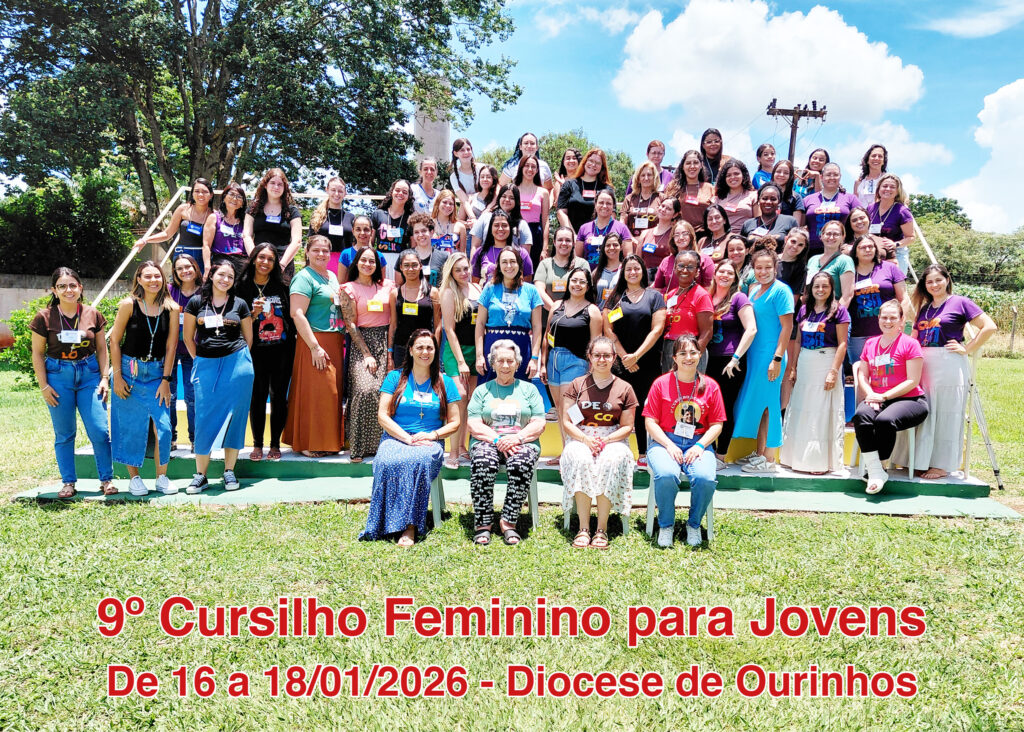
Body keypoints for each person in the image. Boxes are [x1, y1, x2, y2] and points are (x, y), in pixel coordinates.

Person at [895, 264, 996, 479]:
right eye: (929, 282)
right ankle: (918, 460)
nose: (934, 285)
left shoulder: (960, 302)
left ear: (947, 280)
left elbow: (989, 326)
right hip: (923, 363)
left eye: (938, 280)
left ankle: (941, 465)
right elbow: (914, 335)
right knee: (924, 412)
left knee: (947, 414)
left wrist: (967, 348)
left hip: (948, 363)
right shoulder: (924, 308)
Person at [361, 330, 461, 545]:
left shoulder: (445, 382)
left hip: (429, 441)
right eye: (420, 347)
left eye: (430, 348)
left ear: (435, 351)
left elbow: (455, 422)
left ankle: (409, 526)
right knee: (386, 461)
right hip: (396, 437)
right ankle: (382, 522)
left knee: (419, 460)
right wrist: (406, 438)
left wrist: (433, 435)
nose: (425, 352)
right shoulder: (394, 378)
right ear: (411, 350)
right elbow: (382, 415)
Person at [30, 267, 114, 498]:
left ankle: (106, 480)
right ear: (54, 290)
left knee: (99, 430)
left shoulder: (92, 314)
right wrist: (44, 386)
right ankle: (68, 482)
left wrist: (104, 378)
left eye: (72, 285)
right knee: (65, 433)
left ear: (80, 288)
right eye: (62, 286)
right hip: (58, 376)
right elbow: (37, 353)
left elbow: (102, 349)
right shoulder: (44, 317)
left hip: (89, 375)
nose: (68, 290)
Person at [644, 335, 725, 547]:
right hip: (665, 442)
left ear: (700, 355)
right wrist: (669, 445)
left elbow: (717, 424)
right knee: (666, 475)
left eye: (692, 352)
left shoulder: (711, 386)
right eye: (682, 353)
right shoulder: (661, 384)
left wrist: (700, 446)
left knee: (705, 478)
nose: (688, 357)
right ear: (674, 358)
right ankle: (666, 525)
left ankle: (694, 524)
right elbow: (650, 422)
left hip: (698, 443)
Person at [182, 260, 255, 493]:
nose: (225, 280)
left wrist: (240, 360)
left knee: (235, 417)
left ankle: (229, 471)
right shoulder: (196, 302)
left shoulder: (240, 304)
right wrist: (200, 360)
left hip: (237, 364)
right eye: (221, 274)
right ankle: (200, 475)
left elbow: (248, 338)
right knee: (204, 417)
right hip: (206, 365)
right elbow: (187, 338)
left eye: (230, 277)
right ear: (212, 275)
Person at [560, 336, 639, 549]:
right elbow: (567, 421)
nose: (601, 359)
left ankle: (601, 529)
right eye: (597, 355)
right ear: (589, 357)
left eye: (606, 355)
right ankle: (584, 528)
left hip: (613, 438)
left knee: (611, 460)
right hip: (581, 436)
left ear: (614, 358)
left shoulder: (624, 388)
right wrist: (585, 439)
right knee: (580, 459)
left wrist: (606, 440)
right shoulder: (577, 385)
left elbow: (627, 427)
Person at [466, 340, 547, 545]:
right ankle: (483, 523)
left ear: (517, 364)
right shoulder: (482, 390)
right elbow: (473, 424)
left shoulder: (529, 390)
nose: (505, 365)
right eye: (500, 360)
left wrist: (517, 438)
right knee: (484, 462)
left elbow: (539, 423)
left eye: (510, 361)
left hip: (522, 441)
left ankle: (508, 521)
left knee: (521, 462)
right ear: (492, 363)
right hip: (487, 440)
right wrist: (497, 440)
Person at [108, 261, 178, 496]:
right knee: (131, 426)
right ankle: (134, 478)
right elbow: (114, 341)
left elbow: (171, 347)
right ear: (138, 279)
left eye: (157, 276)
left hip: (157, 373)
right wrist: (117, 376)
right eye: (147, 276)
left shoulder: (172, 308)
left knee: (164, 428)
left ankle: (162, 477)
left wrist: (166, 380)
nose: (153, 280)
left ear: (163, 279)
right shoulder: (129, 305)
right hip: (130, 372)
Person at [853, 299, 928, 494]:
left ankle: (879, 467)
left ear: (902, 320)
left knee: (885, 420)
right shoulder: (870, 343)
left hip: (910, 400)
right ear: (878, 319)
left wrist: (884, 397)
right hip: (877, 397)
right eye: (884, 317)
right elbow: (862, 375)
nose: (888, 321)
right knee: (861, 416)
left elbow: (912, 380)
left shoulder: (910, 344)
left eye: (893, 318)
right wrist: (871, 394)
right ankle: (877, 472)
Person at [780, 272, 850, 474]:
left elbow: (842, 343)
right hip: (805, 362)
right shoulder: (804, 310)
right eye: (816, 286)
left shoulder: (839, 311)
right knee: (801, 407)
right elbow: (798, 341)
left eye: (825, 286)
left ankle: (817, 461)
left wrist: (833, 371)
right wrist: (793, 367)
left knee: (819, 411)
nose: (820, 290)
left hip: (826, 361)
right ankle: (795, 458)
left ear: (831, 289)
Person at [731, 248, 794, 472]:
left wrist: (777, 359)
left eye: (768, 267)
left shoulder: (782, 291)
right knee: (760, 406)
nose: (763, 271)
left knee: (770, 406)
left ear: (775, 268)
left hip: (771, 356)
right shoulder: (755, 289)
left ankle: (769, 459)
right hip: (755, 356)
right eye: (759, 267)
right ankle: (759, 453)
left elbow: (787, 327)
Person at [282, 235, 344, 457]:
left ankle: (327, 442)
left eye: (325, 250)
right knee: (316, 392)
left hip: (334, 340)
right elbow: (297, 313)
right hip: (315, 341)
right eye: (316, 250)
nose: (321, 254)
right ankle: (307, 442)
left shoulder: (331, 276)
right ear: (306, 252)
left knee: (330, 394)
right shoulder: (303, 278)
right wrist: (314, 347)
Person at [602, 255, 667, 469]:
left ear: (643, 271)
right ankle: (615, 451)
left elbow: (657, 329)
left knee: (642, 407)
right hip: (621, 363)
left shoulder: (654, 296)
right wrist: (624, 357)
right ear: (623, 272)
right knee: (619, 407)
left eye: (636, 268)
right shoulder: (615, 298)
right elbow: (608, 330)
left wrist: (636, 356)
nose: (632, 272)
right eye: (628, 269)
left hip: (647, 362)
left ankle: (644, 453)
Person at [236, 244, 294, 462]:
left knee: (279, 396)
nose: (265, 263)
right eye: (261, 257)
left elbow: (291, 317)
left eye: (270, 259)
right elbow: (236, 320)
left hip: (282, 350)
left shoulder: (283, 285)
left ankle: (275, 443)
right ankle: (258, 443)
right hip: (255, 351)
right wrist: (253, 314)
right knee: (257, 397)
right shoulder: (241, 286)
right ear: (253, 259)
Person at [540, 266, 603, 463]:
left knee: (570, 408)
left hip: (576, 361)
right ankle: (566, 449)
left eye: (582, 281)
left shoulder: (592, 311)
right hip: (554, 360)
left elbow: (595, 343)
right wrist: (543, 363)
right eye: (574, 280)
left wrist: (592, 370)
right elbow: (547, 336)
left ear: (588, 286)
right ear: (568, 283)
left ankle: (576, 450)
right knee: (559, 408)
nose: (577, 284)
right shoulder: (557, 305)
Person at [339, 247, 396, 462]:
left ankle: (382, 446)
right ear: (356, 262)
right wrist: (367, 354)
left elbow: (394, 319)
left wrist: (390, 350)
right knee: (365, 390)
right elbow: (350, 323)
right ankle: (359, 446)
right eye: (364, 260)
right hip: (362, 342)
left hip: (386, 340)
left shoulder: (388, 286)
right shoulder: (348, 288)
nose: (368, 264)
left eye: (372, 261)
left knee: (386, 393)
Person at [704, 259, 756, 468]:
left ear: (735, 278)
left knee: (724, 407)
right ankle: (707, 451)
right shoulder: (708, 297)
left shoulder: (738, 298)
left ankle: (721, 456)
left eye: (729, 273)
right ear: (715, 274)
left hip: (730, 362)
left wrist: (736, 358)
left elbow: (751, 329)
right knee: (706, 407)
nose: (724, 275)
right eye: (721, 271)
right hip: (708, 360)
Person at [438, 253, 482, 468]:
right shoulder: (448, 292)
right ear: (451, 273)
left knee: (470, 401)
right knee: (460, 397)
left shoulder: (477, 289)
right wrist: (461, 361)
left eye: (465, 268)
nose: (463, 273)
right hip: (457, 352)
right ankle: (453, 451)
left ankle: (463, 447)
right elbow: (449, 329)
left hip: (476, 350)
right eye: (458, 270)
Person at [474, 247, 543, 383]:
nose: (509, 266)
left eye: (513, 261)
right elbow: (480, 324)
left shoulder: (531, 291)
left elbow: (537, 327)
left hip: (521, 347)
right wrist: (479, 356)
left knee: (520, 390)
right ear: (499, 266)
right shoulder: (489, 288)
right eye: (504, 262)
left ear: (519, 264)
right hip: (493, 347)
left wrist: (534, 359)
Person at [847, 236, 908, 365]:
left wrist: (901, 323)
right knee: (860, 370)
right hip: (857, 334)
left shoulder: (889, 268)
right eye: (863, 247)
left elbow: (904, 298)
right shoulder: (848, 271)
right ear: (855, 252)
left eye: (871, 246)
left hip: (886, 330)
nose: (867, 250)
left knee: (884, 369)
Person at [134, 178, 214, 272]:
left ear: (211, 195)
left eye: (204, 192)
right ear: (192, 193)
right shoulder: (183, 209)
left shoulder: (214, 215)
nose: (200, 194)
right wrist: (145, 240)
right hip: (182, 255)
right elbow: (167, 234)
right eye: (197, 191)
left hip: (203, 257)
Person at [243, 168, 303, 276]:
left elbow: (297, 241)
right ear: (265, 185)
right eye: (272, 183)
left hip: (283, 263)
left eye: (280, 184)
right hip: (259, 262)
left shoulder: (292, 211)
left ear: (284, 188)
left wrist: (282, 265)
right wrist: (255, 259)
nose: (276, 187)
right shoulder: (253, 209)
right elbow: (247, 235)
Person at [661, 250, 714, 373]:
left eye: (690, 267)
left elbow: (707, 333)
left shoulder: (702, 295)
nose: (684, 270)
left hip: (691, 351)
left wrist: (691, 357)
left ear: (697, 272)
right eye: (681, 266)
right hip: (669, 349)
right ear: (675, 268)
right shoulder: (670, 295)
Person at [168, 255, 201, 451]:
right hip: (170, 350)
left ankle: (196, 439)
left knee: (192, 396)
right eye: (179, 268)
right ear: (175, 272)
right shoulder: (168, 291)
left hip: (193, 350)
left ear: (195, 268)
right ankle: (170, 439)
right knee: (169, 396)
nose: (184, 271)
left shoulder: (205, 292)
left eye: (188, 267)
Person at [795, 162, 861, 255]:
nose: (832, 178)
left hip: (841, 250)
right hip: (812, 250)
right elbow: (800, 226)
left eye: (836, 175)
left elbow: (862, 221)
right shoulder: (808, 199)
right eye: (828, 175)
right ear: (821, 177)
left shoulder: (850, 198)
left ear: (840, 177)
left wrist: (853, 244)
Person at [389, 248, 440, 367]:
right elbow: (393, 325)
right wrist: (390, 353)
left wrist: (435, 350)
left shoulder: (433, 292)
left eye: (414, 265)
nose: (410, 269)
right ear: (401, 267)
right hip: (401, 348)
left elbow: (438, 326)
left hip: (425, 350)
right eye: (406, 265)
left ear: (420, 266)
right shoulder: (395, 294)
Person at [866, 173, 916, 275]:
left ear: (897, 191)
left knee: (896, 283)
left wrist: (895, 244)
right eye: (885, 186)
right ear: (879, 189)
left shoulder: (902, 211)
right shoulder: (871, 208)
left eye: (892, 187)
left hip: (896, 253)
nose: (888, 189)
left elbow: (911, 237)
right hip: (874, 252)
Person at [557, 148, 615, 234]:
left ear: (602, 167)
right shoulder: (569, 185)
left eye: (598, 163)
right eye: (591, 161)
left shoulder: (607, 189)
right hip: (572, 237)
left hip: (597, 237)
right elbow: (561, 212)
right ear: (584, 162)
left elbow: (612, 215)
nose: (593, 165)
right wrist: (573, 236)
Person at [533, 226, 589, 311]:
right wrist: (557, 311)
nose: (564, 243)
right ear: (554, 242)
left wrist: (569, 314)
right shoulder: (544, 264)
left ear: (573, 243)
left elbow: (587, 291)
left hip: (576, 315)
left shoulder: (582, 264)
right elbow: (539, 291)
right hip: (548, 316)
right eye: (560, 240)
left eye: (568, 240)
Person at [470, 209, 534, 283]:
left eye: (504, 225)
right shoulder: (480, 252)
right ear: (491, 228)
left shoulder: (522, 253)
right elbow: (475, 283)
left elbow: (527, 283)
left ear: (510, 228)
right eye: (496, 225)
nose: (500, 229)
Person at [308, 176, 354, 275]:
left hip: (344, 264)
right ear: (327, 190)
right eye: (333, 190)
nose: (336, 194)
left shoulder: (350, 217)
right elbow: (310, 242)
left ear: (345, 193)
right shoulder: (317, 215)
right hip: (321, 261)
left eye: (340, 191)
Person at [576, 189, 633, 268]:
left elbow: (628, 256)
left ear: (613, 206)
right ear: (595, 204)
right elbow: (578, 258)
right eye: (601, 203)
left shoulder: (622, 228)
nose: (604, 206)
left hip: (613, 274)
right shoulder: (584, 228)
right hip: (588, 273)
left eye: (608, 203)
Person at [469, 184, 533, 254]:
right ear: (499, 198)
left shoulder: (522, 224)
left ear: (516, 201)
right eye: (504, 196)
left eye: (511, 198)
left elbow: (525, 254)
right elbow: (475, 246)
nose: (507, 200)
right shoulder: (485, 217)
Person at [371, 179, 415, 280]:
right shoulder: (378, 214)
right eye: (397, 190)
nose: (400, 194)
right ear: (392, 192)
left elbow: (413, 247)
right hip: (380, 261)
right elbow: (370, 242)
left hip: (400, 264)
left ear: (408, 196)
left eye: (405, 192)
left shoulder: (411, 219)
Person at [653, 221, 712, 292]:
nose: (681, 237)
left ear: (691, 236)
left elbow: (709, 289)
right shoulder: (666, 261)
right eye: (677, 235)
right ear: (673, 239)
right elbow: (658, 288)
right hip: (669, 298)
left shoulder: (704, 260)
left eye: (685, 234)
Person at [666, 150, 715, 234]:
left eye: (695, 163)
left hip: (705, 235)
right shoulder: (673, 188)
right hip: (680, 235)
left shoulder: (710, 188)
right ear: (683, 166)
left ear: (701, 165)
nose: (692, 166)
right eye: (688, 163)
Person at [806, 220, 855, 306]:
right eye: (828, 234)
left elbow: (847, 296)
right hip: (812, 309)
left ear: (843, 237)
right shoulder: (812, 260)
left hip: (832, 310)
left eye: (836, 234)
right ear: (821, 236)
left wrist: (835, 313)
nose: (831, 237)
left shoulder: (845, 261)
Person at [513, 154, 550, 266]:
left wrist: (545, 247)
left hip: (535, 233)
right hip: (515, 231)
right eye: (527, 165)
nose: (530, 169)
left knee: (532, 267)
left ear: (537, 170)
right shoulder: (513, 189)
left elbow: (545, 221)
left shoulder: (543, 192)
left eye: (533, 166)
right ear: (521, 168)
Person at [203, 181, 247, 275]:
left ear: (243, 203)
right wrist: (207, 268)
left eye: (239, 196)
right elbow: (206, 245)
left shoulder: (246, 221)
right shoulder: (214, 218)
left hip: (241, 264)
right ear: (224, 197)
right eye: (231, 194)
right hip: (220, 262)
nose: (234, 199)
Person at [636, 194, 680, 280]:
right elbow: (638, 261)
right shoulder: (645, 233)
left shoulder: (675, 235)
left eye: (668, 209)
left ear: (675, 214)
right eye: (662, 206)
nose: (663, 210)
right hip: (644, 278)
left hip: (663, 278)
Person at [741, 184, 798, 249]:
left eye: (773, 199)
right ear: (759, 201)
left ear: (779, 202)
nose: (768, 202)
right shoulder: (748, 224)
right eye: (764, 198)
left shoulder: (789, 221)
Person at [405, 212, 450, 290]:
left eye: (423, 231)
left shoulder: (444, 256)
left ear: (431, 232)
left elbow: (448, 284)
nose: (420, 235)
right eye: (416, 232)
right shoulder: (405, 256)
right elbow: (399, 284)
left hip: (436, 296)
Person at [713, 159, 759, 235]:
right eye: (728, 175)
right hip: (723, 238)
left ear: (743, 175)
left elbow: (758, 222)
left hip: (746, 237)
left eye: (736, 174)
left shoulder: (754, 196)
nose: (733, 177)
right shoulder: (718, 199)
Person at [337, 215, 386, 285]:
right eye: (358, 229)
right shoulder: (346, 254)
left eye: (366, 230)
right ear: (353, 231)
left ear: (372, 232)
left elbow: (381, 283)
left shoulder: (379, 256)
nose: (362, 233)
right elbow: (341, 283)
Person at [621, 161, 662, 240]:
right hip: (631, 241)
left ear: (654, 177)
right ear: (638, 179)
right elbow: (622, 223)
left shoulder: (661, 198)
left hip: (654, 242)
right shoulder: (629, 198)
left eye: (649, 175)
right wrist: (631, 239)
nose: (646, 178)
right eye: (643, 175)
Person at [430, 190, 467, 260]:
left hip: (453, 264)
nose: (447, 206)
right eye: (444, 202)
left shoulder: (460, 227)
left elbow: (463, 254)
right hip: (432, 264)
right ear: (438, 203)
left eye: (451, 204)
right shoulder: (428, 223)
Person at [449, 137, 482, 216]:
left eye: (468, 149)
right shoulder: (454, 177)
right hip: (467, 209)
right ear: (456, 153)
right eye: (462, 150)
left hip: (484, 204)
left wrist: (473, 196)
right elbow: (464, 201)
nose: (466, 152)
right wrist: (472, 218)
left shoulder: (482, 168)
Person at [592, 233, 624, 308]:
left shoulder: (625, 269)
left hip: (618, 313)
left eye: (615, 245)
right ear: (604, 248)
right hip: (599, 313)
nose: (611, 248)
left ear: (621, 247)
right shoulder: (597, 271)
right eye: (608, 245)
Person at [777, 227, 810, 301]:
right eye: (793, 241)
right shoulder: (770, 259)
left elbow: (793, 300)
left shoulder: (801, 269)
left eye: (800, 245)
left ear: (804, 247)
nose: (795, 247)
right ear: (786, 239)